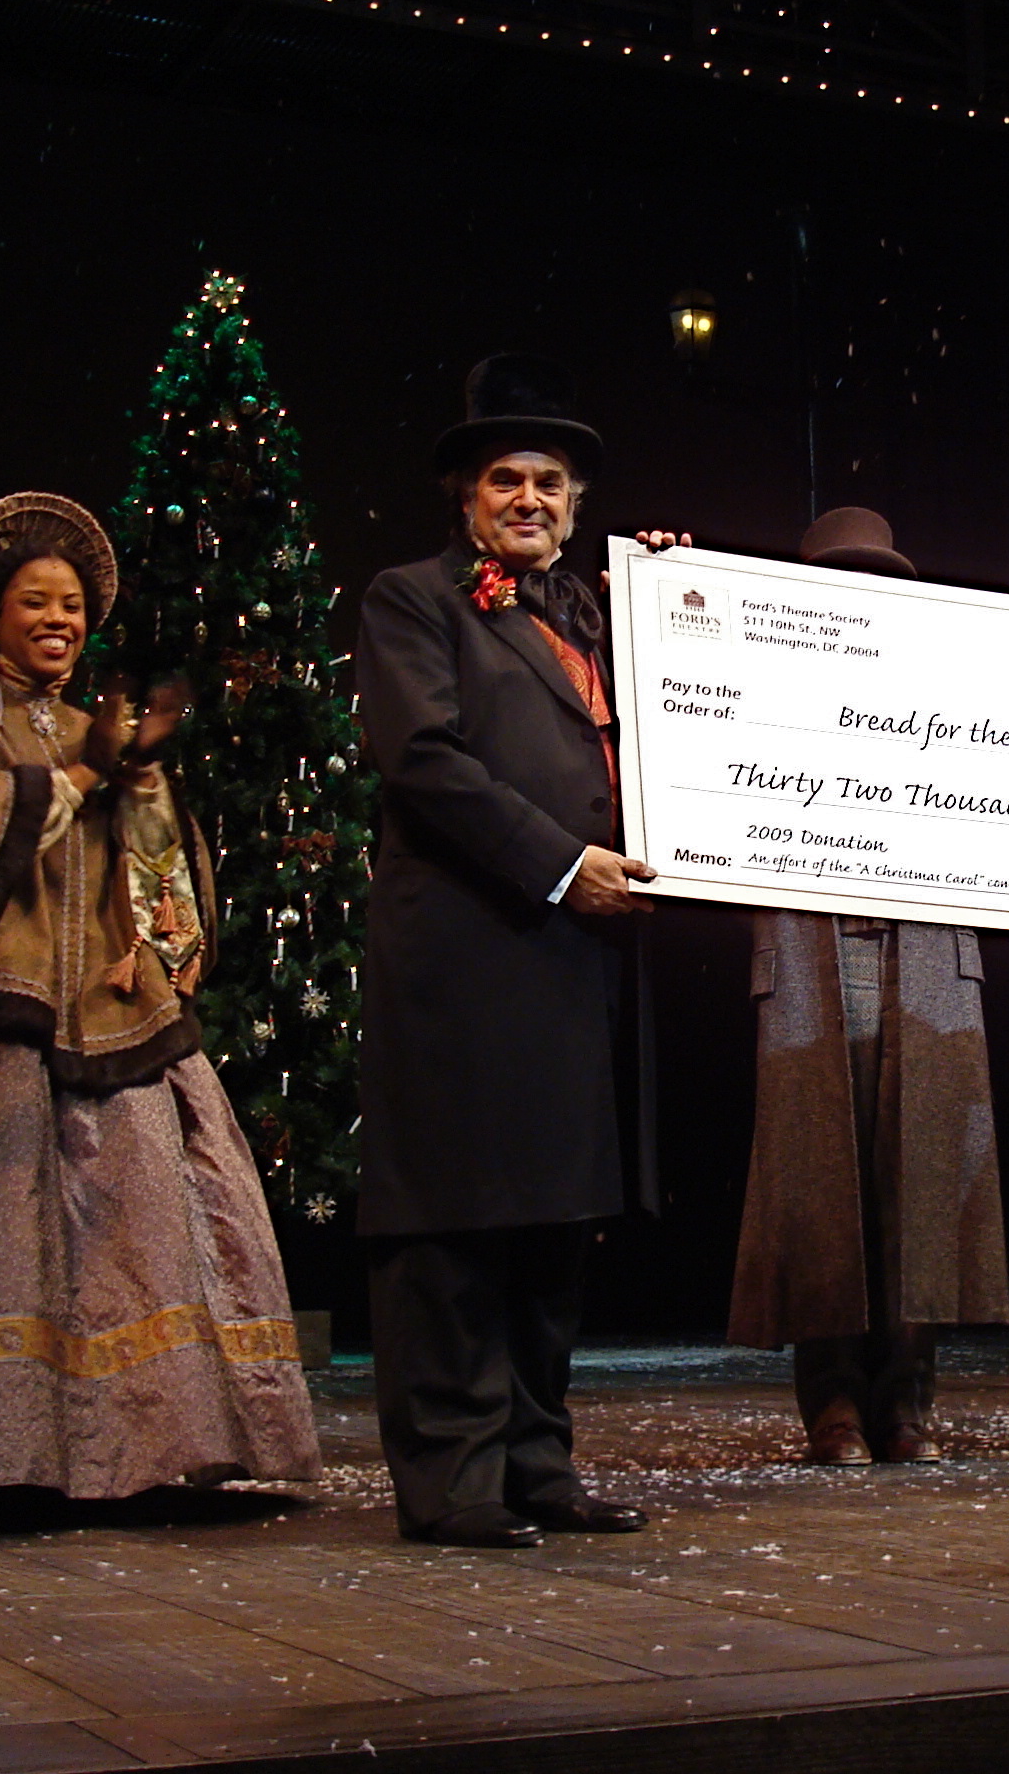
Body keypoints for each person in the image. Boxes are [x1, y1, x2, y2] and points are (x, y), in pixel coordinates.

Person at [0, 492, 317, 1509]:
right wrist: (68, 774)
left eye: (71, 607)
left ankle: (144, 1454)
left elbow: (159, 867)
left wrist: (141, 798)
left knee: (138, 1217)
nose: (58, 622)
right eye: (36, 604)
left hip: (110, 1001)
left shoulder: (99, 717)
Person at [356, 357, 659, 1548]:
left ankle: (538, 1464)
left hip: (573, 962)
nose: (529, 498)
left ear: (575, 503)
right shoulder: (412, 599)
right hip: (473, 952)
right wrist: (559, 863)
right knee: (455, 1225)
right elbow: (423, 762)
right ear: (467, 500)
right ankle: (451, 1482)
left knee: (549, 1222)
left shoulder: (592, 615)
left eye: (549, 482)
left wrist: (679, 603)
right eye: (505, 480)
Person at [726, 508, 1009, 1464]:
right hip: (814, 954)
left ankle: (908, 1403)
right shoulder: (754, 681)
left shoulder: (955, 688)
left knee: (923, 1179)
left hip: (923, 950)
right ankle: (833, 1406)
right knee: (819, 1182)